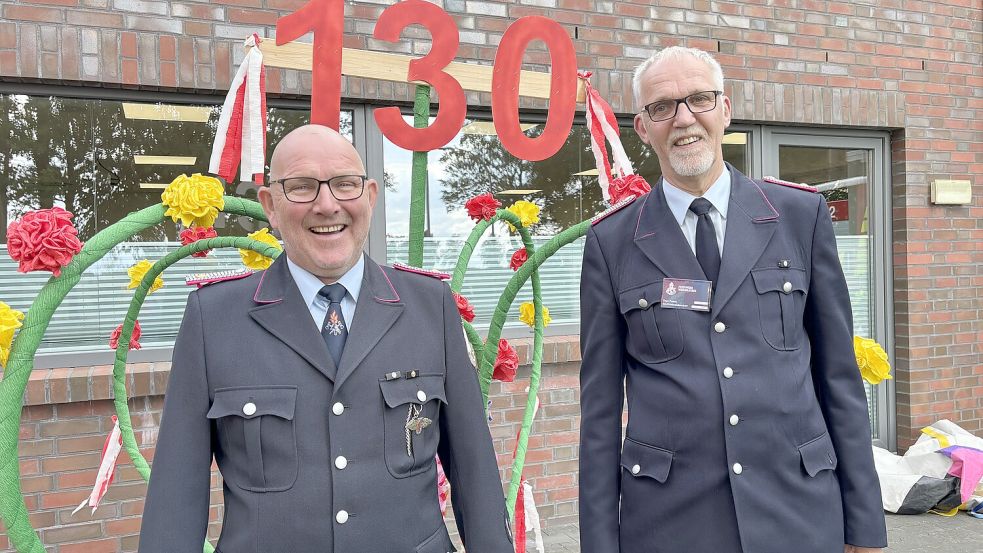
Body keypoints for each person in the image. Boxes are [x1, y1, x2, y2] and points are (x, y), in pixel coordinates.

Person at [140, 125, 513, 552]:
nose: (327, 204)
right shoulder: (215, 317)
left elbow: (475, 473)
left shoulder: (430, 306)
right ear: (271, 206)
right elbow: (176, 495)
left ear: (370, 197)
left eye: (344, 185)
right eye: (301, 188)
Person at [578, 47, 887, 553]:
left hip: (798, 509)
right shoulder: (612, 243)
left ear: (724, 109)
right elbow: (599, 412)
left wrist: (865, 524)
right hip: (669, 522)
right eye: (663, 107)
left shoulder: (799, 216)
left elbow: (840, 380)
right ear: (642, 126)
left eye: (699, 99)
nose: (683, 119)